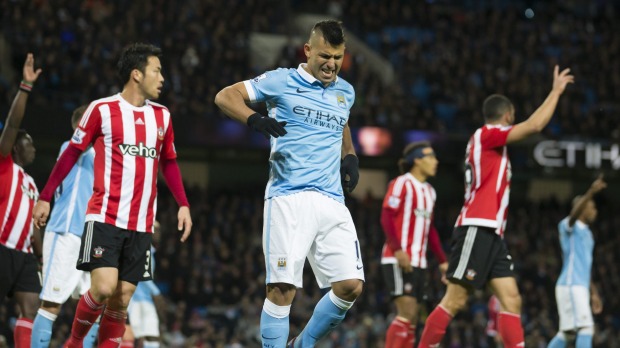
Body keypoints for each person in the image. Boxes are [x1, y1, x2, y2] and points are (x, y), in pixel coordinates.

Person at [214, 20, 364, 348]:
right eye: (325, 55)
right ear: (308, 50)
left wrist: (349, 154)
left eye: (338, 58)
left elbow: (342, 122)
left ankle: (302, 344)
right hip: (288, 195)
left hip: (332, 200)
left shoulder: (345, 91)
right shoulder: (281, 80)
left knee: (351, 286)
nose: (331, 64)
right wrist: (254, 118)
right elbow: (226, 97)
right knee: (282, 290)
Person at [32, 43, 192, 348]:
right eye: (157, 71)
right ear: (136, 74)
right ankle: (75, 341)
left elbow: (169, 162)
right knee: (103, 288)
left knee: (120, 303)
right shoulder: (102, 110)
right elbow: (71, 154)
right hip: (105, 217)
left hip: (142, 225)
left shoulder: (162, 116)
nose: (162, 79)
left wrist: (183, 203)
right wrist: (45, 196)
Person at [417, 65, 574, 348]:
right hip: (477, 226)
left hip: (492, 234)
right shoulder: (487, 134)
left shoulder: (491, 146)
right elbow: (535, 126)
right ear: (508, 116)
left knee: (511, 298)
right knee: (455, 300)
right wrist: (556, 92)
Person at [31, 105, 99, 348]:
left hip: (92, 237)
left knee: (93, 308)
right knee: (52, 303)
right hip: (66, 232)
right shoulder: (71, 148)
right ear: (80, 125)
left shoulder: (99, 155)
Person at [380, 141, 448, 347]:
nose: (436, 162)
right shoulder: (402, 183)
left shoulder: (430, 191)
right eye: (431, 157)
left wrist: (442, 260)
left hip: (420, 262)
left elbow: (430, 229)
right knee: (407, 311)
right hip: (398, 259)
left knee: (415, 318)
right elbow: (386, 216)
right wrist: (398, 250)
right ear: (417, 160)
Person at [0, 53, 43, 348]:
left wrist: (41, 256)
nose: (35, 148)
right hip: (2, 247)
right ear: (16, 146)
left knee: (31, 309)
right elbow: (13, 124)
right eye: (29, 143)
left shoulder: (30, 183)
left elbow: (34, 225)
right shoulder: (4, 164)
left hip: (25, 254)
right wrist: (25, 87)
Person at [548, 175, 606, 348]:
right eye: (592, 207)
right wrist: (590, 192)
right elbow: (573, 216)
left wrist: (593, 292)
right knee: (586, 328)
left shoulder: (588, 234)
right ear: (583, 209)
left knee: (567, 334)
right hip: (571, 284)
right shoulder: (568, 226)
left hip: (577, 285)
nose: (595, 211)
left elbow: (585, 267)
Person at [126, 220, 167, 348]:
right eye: (154, 228)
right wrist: (157, 293)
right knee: (142, 337)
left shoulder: (147, 251)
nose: (157, 232)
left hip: (142, 300)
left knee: (147, 336)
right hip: (137, 300)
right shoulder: (143, 249)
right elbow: (143, 276)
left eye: (159, 229)